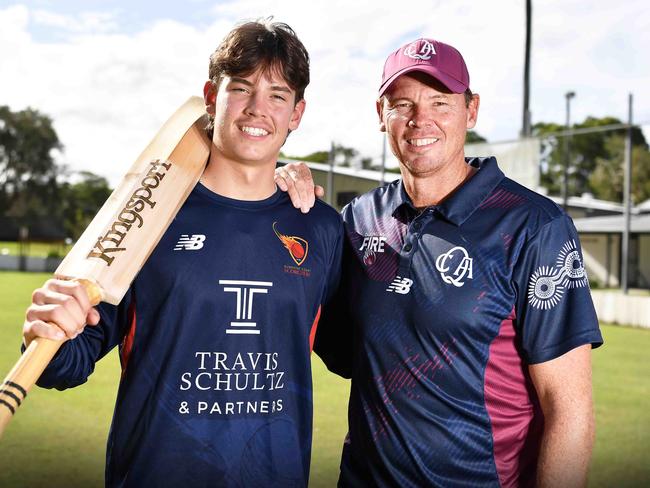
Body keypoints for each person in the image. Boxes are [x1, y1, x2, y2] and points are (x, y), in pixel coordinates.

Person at [23, 19, 343, 487]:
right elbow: (67, 364)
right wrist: (48, 330)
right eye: (241, 88)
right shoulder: (144, 215)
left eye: (277, 95)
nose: (258, 109)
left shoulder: (322, 226)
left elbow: (354, 351)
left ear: (296, 113)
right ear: (212, 98)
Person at [276, 37, 603, 487]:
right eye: (402, 103)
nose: (420, 119)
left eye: (439, 101)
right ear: (380, 114)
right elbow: (331, 340)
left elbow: (569, 411)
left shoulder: (534, 226)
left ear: (471, 110)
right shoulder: (358, 220)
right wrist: (274, 197)